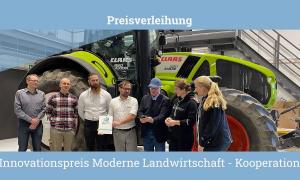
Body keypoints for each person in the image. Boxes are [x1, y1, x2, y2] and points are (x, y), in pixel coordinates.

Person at [194, 76, 233, 151]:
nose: (195, 90)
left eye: (196, 87)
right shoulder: (205, 99)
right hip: (212, 141)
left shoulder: (214, 101)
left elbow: (212, 125)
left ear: (203, 87)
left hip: (216, 142)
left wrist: (202, 142)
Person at [78, 73, 112, 151]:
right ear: (89, 82)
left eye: (97, 80)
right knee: (89, 146)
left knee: (102, 146)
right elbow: (80, 111)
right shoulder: (83, 95)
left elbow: (109, 111)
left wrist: (104, 124)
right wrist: (88, 119)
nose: (95, 82)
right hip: (89, 124)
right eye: (93, 80)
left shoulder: (106, 95)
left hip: (103, 123)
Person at [14, 74, 46, 151]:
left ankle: (36, 162)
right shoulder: (19, 93)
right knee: (22, 148)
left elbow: (44, 109)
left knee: (37, 148)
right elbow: (17, 110)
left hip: (38, 125)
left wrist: (37, 120)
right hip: (23, 124)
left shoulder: (41, 94)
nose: (36, 82)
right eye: (34, 81)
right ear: (27, 81)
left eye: (37, 81)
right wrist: (31, 120)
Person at [138, 78, 170, 151]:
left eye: (155, 88)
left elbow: (163, 115)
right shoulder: (145, 98)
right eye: (151, 88)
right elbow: (140, 111)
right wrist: (141, 117)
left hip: (158, 132)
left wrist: (152, 120)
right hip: (146, 132)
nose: (153, 90)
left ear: (160, 88)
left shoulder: (165, 100)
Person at [46, 78, 78, 151]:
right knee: (55, 150)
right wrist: (53, 121)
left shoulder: (74, 98)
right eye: (64, 83)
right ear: (60, 85)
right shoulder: (53, 97)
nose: (66, 85)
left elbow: (76, 112)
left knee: (68, 150)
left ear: (70, 86)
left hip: (69, 130)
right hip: (56, 129)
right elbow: (48, 111)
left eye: (68, 84)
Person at [165, 80, 197, 151]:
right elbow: (172, 114)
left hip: (185, 138)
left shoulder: (191, 103)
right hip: (173, 136)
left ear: (184, 89)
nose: (175, 91)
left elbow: (191, 121)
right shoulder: (176, 100)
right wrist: (169, 119)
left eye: (177, 89)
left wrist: (175, 122)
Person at [109, 80, 138, 151]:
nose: (127, 91)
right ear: (119, 88)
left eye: (129, 89)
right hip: (117, 132)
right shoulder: (113, 101)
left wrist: (119, 123)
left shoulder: (134, 101)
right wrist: (103, 129)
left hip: (130, 132)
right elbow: (109, 117)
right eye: (125, 89)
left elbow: (132, 116)